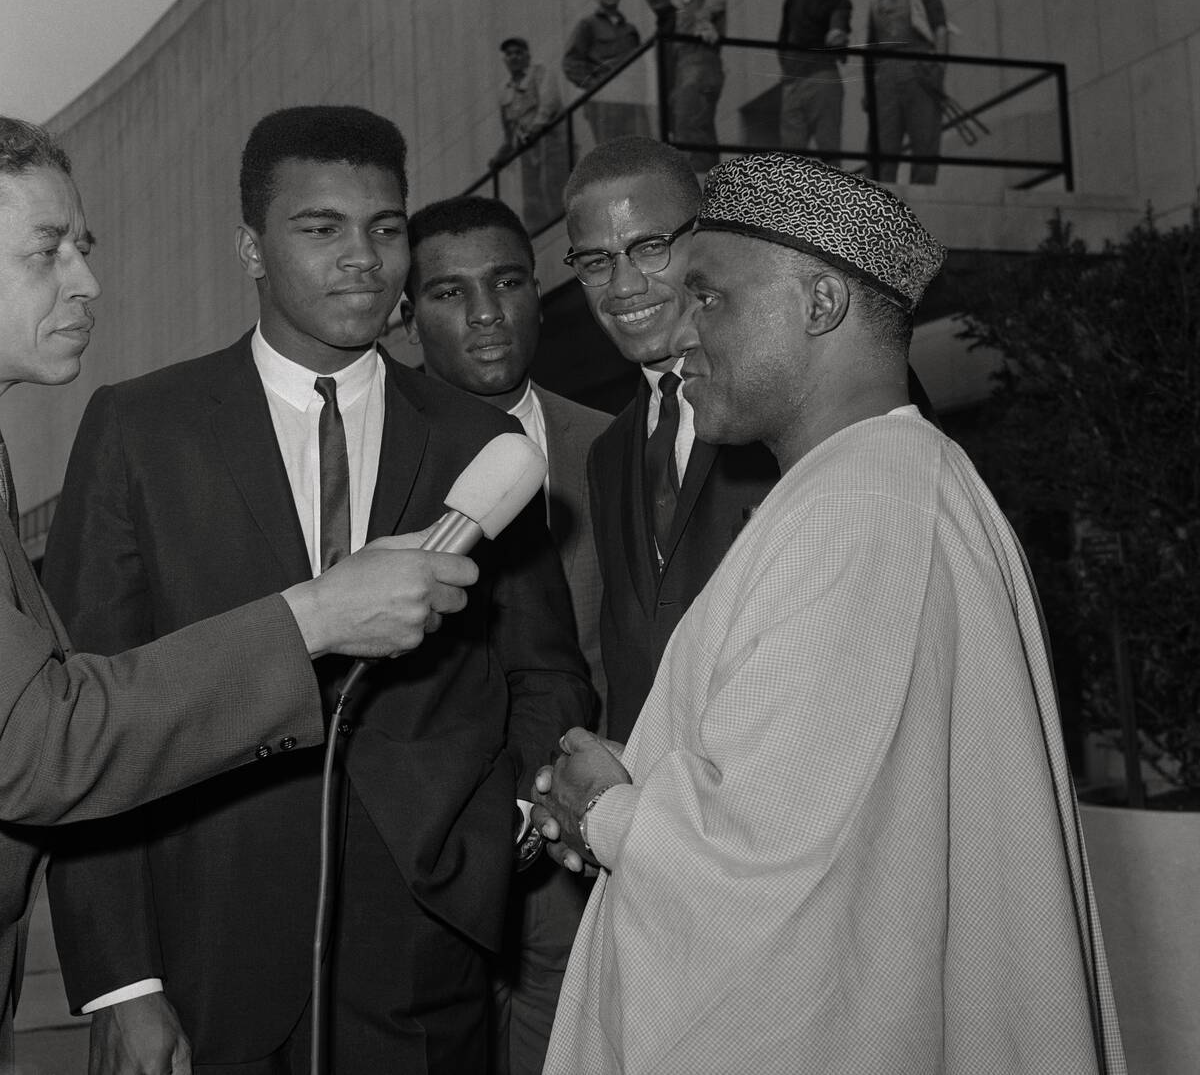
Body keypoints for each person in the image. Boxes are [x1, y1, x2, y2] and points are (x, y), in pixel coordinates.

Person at [534, 153, 1126, 1074]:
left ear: (819, 304)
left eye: (710, 296)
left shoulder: (865, 511)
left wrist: (607, 811)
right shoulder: (865, 485)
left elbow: (771, 875)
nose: (678, 330)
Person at [41, 106, 594, 1074]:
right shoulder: (140, 429)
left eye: (385, 228)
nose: (363, 258)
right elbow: (88, 714)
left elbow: (543, 668)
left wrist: (500, 830)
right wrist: (124, 982)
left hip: (426, 959)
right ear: (251, 247)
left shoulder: (479, 443)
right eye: (322, 228)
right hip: (205, 958)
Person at [399, 194, 611, 1075]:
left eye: (508, 282)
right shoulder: (370, 451)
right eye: (450, 293)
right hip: (425, 853)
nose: (486, 314)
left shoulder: (615, 448)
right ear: (406, 316)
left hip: (584, 835)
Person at [561, 137, 778, 742]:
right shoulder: (608, 454)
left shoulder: (793, 399)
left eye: (650, 248)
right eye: (595, 262)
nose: (623, 286)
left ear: (704, 237)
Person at [867, 0, 950, 184]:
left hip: (920, 71)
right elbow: (870, 53)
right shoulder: (875, 6)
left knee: (925, 144)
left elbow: (941, 30)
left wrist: (939, 68)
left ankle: (922, 207)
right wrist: (869, 92)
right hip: (885, 81)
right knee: (882, 149)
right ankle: (879, 209)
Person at [777, 0, 852, 160]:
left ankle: (832, 194)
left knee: (828, 148)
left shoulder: (840, 1)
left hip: (822, 77)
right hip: (793, 79)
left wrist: (837, 35)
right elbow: (783, 37)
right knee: (790, 156)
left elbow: (838, 26)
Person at [489, 37, 569, 232]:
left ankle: (561, 229)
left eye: (518, 52)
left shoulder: (540, 72)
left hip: (552, 144)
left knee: (553, 190)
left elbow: (549, 105)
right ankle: (538, 235)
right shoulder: (504, 91)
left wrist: (534, 129)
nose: (514, 57)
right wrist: (500, 157)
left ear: (527, 55)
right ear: (504, 60)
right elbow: (509, 133)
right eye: (509, 54)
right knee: (532, 200)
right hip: (527, 152)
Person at [562, 0, 647, 145]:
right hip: (605, 105)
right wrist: (595, 87)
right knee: (612, 156)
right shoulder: (588, 25)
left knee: (639, 153)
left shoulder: (630, 30)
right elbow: (570, 63)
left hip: (632, 102)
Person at [665, 0, 727, 171]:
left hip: (701, 60)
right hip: (686, 65)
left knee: (693, 125)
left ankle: (703, 180)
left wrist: (703, 22)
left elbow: (715, 1)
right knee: (689, 126)